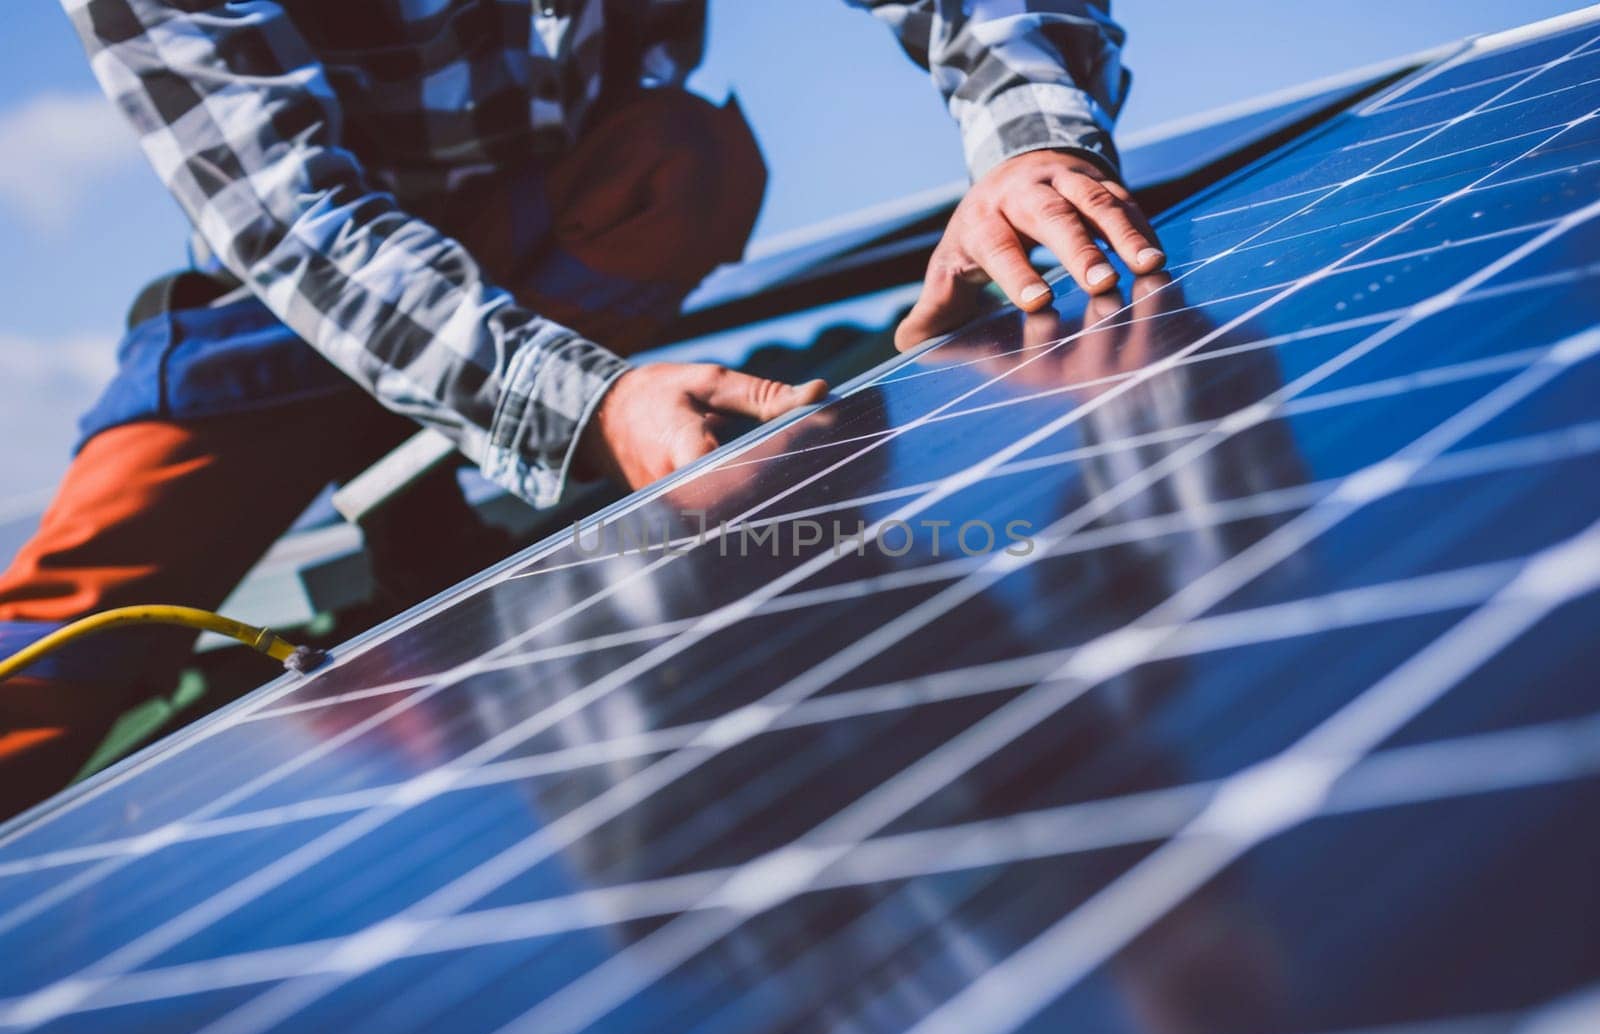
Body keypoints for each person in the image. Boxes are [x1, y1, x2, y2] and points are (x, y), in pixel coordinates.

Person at [0, 0, 1164, 815]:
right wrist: (588, 405)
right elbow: (288, 217)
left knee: (681, 158)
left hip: (567, 226)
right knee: (56, 653)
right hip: (290, 306)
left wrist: (1032, 139)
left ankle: (431, 509)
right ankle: (414, 502)